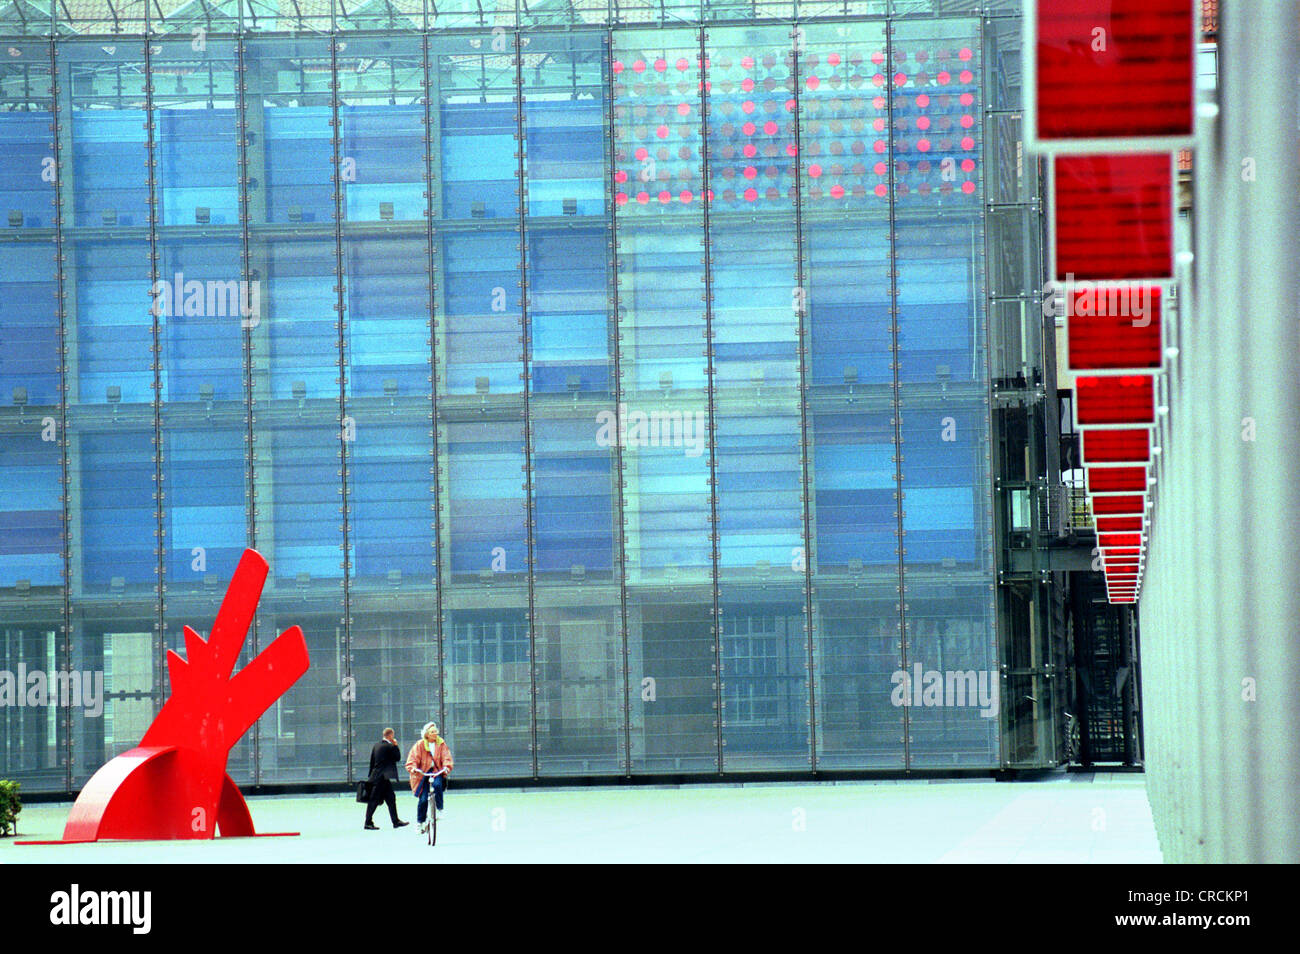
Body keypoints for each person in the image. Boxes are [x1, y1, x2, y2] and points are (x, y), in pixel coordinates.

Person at [405, 721, 453, 834]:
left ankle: (439, 809)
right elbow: (412, 760)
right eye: (432, 732)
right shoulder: (419, 745)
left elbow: (446, 757)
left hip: (436, 772)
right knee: (422, 800)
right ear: (426, 734)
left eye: (436, 731)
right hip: (423, 774)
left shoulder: (441, 743)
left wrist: (446, 767)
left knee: (437, 785)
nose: (435, 734)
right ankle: (420, 822)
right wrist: (413, 768)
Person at [363, 727, 408, 830]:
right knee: (374, 800)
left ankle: (395, 821)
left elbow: (372, 761)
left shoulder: (376, 745)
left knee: (391, 798)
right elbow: (397, 757)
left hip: (377, 776)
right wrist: (396, 745)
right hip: (382, 778)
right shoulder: (390, 746)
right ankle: (368, 822)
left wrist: (371, 775)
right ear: (391, 735)